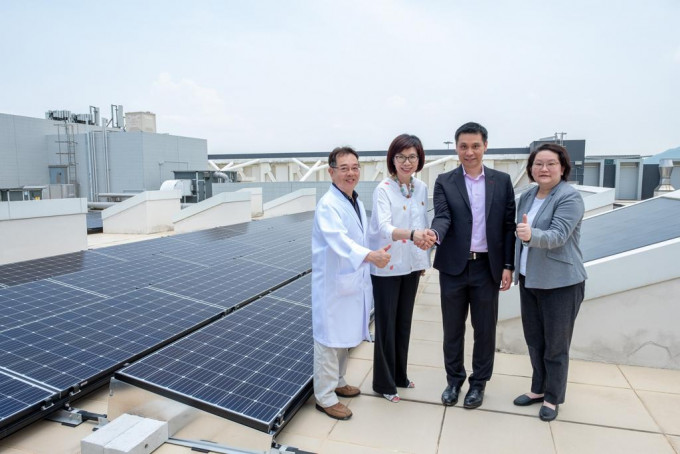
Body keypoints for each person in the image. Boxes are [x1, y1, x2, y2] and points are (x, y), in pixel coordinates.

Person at [430, 122, 516, 409]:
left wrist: (508, 265)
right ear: (456, 148)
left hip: (487, 268)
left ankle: (478, 384)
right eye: (463, 146)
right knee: (452, 329)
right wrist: (435, 233)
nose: (469, 152)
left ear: (485, 146)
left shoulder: (501, 181)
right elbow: (443, 216)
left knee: (484, 330)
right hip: (453, 267)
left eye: (475, 146)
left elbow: (507, 226)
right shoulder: (444, 180)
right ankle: (454, 380)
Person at [311, 146, 391, 421]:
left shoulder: (353, 200)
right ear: (331, 172)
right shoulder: (328, 205)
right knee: (328, 341)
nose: (350, 173)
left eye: (354, 167)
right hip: (333, 286)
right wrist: (369, 256)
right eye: (343, 168)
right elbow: (338, 239)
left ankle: (339, 381)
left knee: (344, 338)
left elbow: (362, 236)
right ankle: (324, 397)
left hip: (350, 281)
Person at [512, 143, 587, 422]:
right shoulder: (528, 195)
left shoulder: (570, 197)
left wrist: (531, 235)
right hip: (529, 278)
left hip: (561, 284)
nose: (544, 169)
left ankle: (553, 398)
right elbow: (515, 233)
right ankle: (538, 389)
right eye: (538, 164)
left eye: (551, 163)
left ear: (563, 167)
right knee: (534, 339)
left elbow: (558, 235)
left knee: (556, 344)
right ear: (531, 168)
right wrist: (511, 266)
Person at [367, 134, 435, 403]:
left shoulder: (421, 187)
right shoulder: (383, 189)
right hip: (387, 265)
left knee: (404, 322)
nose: (407, 162)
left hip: (411, 265)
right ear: (392, 159)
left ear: (420, 159)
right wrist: (413, 233)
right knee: (386, 325)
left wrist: (425, 243)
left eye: (412, 157)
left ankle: (399, 375)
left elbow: (423, 220)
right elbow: (383, 227)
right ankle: (383, 383)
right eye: (401, 157)